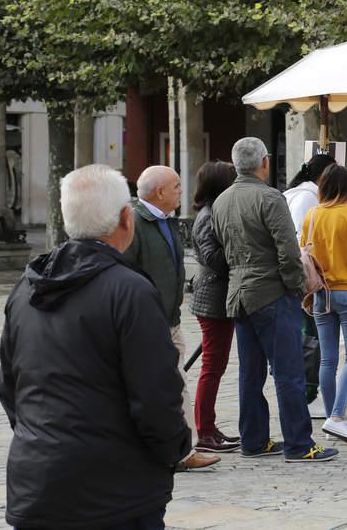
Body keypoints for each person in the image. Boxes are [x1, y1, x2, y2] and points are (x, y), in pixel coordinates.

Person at [0, 164, 191, 530]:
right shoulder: (130, 291)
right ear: (126, 219)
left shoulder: (26, 290)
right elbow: (156, 395)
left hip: (37, 481)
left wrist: (40, 438)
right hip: (116, 493)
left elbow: (11, 389)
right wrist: (173, 450)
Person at [211, 137, 338, 463]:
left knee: (250, 373)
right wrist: (296, 288)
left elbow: (220, 249)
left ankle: (254, 440)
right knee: (288, 371)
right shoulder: (269, 198)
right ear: (264, 163)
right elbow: (287, 250)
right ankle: (298, 443)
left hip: (239, 294)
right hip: (271, 292)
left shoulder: (222, 201)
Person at [123, 165, 219, 470]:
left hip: (169, 319)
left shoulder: (167, 220)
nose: (181, 191)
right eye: (176, 186)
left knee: (176, 383)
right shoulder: (135, 223)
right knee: (163, 386)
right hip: (147, 324)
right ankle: (173, 450)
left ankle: (184, 450)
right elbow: (125, 273)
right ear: (160, 192)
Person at [300, 164, 347, 445]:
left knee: (328, 360)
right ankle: (336, 417)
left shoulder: (312, 215)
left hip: (321, 293)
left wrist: (308, 296)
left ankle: (333, 418)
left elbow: (304, 258)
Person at [189, 161, 240, 453]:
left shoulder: (214, 212)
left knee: (216, 365)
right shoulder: (208, 217)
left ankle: (208, 425)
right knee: (212, 366)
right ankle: (204, 430)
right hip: (212, 298)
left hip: (218, 297)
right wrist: (238, 248)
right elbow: (213, 258)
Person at [283, 153, 336, 420]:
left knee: (308, 334)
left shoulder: (296, 194)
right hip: (305, 276)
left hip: (297, 274)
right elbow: (303, 239)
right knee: (310, 335)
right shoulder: (306, 198)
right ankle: (308, 393)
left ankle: (307, 391)